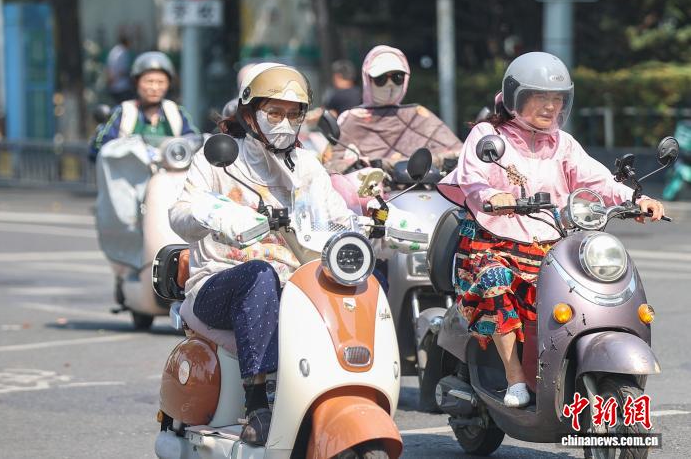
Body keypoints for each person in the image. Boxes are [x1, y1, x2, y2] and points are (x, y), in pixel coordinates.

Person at [437, 52, 665, 408]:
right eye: (539, 96)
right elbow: (472, 177)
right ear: (515, 97)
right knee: (495, 281)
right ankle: (514, 377)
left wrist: (636, 199)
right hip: (492, 244)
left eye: (557, 98)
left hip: (549, 244)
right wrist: (491, 196)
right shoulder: (488, 135)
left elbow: (598, 180)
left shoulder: (563, 143)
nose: (550, 106)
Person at [168, 63, 357, 445]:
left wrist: (374, 226)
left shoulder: (306, 166)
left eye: (293, 114)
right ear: (250, 113)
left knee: (363, 280)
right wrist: (218, 214)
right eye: (274, 112)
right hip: (219, 282)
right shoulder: (218, 157)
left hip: (298, 284)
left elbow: (340, 219)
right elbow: (180, 215)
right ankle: (257, 402)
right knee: (259, 274)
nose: (284, 123)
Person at [323, 45, 462, 173]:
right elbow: (333, 164)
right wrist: (359, 165)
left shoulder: (418, 115)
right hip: (372, 190)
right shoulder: (352, 119)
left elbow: (458, 153)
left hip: (425, 187)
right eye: (381, 79)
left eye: (397, 77)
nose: (390, 84)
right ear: (367, 79)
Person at [91, 51, 199, 158]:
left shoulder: (176, 112)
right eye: (149, 81)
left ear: (168, 84)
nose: (155, 87)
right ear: (136, 83)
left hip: (170, 169)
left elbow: (194, 143)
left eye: (161, 82)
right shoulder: (124, 112)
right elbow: (100, 147)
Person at [105, 33, 133, 104]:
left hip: (114, 86)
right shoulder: (123, 53)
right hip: (122, 86)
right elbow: (122, 70)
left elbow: (109, 68)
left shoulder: (114, 51)